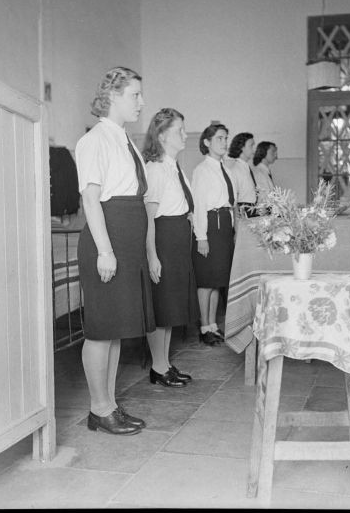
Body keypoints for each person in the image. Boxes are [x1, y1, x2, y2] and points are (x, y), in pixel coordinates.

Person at [75, 66, 154, 435]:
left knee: (117, 328)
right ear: (113, 96)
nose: (141, 101)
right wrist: (105, 251)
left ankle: (109, 405)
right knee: (101, 329)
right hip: (106, 240)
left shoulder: (124, 139)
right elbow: (91, 200)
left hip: (126, 239)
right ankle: (99, 408)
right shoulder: (94, 140)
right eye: (134, 95)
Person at [143, 108, 199, 387]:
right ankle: (157, 366)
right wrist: (152, 256)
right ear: (163, 135)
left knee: (171, 307)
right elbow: (149, 218)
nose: (185, 135)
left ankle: (164, 364)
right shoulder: (155, 169)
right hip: (163, 239)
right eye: (180, 130)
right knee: (162, 306)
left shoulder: (174, 167)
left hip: (177, 239)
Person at [191, 123, 236, 345]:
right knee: (206, 280)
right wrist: (201, 237)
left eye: (226, 138)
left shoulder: (225, 168)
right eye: (219, 138)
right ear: (207, 142)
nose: (224, 142)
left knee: (218, 280)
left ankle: (213, 325)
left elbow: (230, 202)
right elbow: (198, 205)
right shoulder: (202, 170)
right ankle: (203, 326)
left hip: (225, 225)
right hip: (210, 225)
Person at [225, 132, 258, 218]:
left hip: (252, 210)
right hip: (243, 212)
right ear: (242, 148)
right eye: (251, 146)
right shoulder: (234, 170)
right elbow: (233, 198)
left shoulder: (246, 167)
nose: (254, 150)